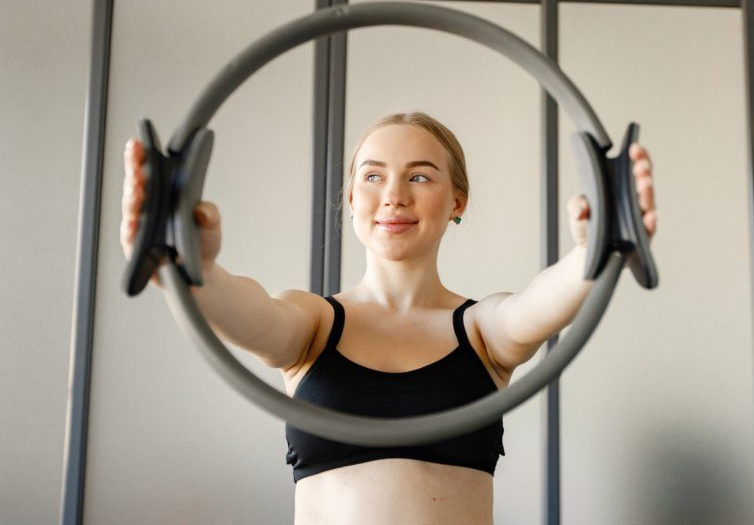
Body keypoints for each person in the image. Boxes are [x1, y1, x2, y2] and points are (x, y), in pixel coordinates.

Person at [120, 111, 657, 525]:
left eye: (420, 177)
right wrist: (193, 262)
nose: (394, 196)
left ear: (456, 201)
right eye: (373, 176)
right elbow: (243, 311)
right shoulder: (311, 325)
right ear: (352, 197)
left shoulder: (482, 331)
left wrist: (593, 252)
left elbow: (537, 305)